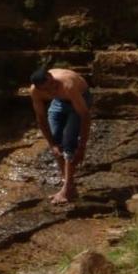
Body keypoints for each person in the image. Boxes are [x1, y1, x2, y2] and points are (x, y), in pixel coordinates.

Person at [29, 66, 92, 205]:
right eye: (46, 89)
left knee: (69, 142)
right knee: (57, 143)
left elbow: (85, 116)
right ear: (39, 89)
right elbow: (41, 119)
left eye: (52, 85)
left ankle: (67, 190)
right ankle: (70, 187)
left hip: (79, 97)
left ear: (51, 77)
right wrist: (52, 145)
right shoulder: (35, 92)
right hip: (59, 101)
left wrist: (82, 147)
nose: (51, 90)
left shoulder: (67, 84)